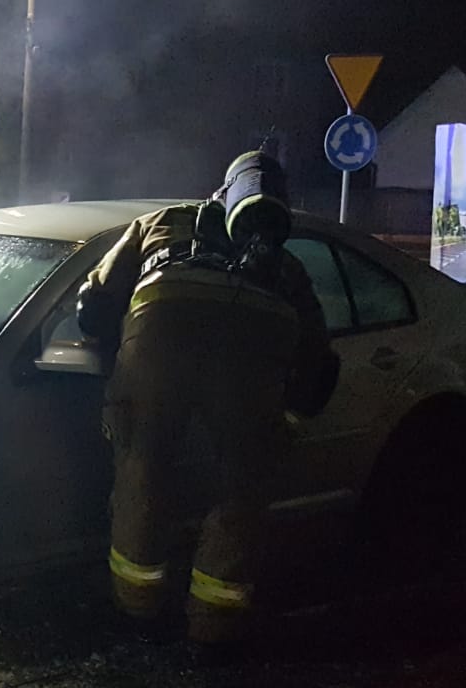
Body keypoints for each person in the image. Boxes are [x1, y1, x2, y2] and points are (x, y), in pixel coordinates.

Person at [76, 151, 339, 647]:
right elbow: (318, 361)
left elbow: (95, 304)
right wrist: (288, 420)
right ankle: (212, 632)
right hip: (252, 356)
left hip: (158, 343)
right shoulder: (287, 268)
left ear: (221, 191)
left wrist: (116, 361)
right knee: (243, 488)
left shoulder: (160, 223)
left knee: (142, 472)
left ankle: (137, 612)